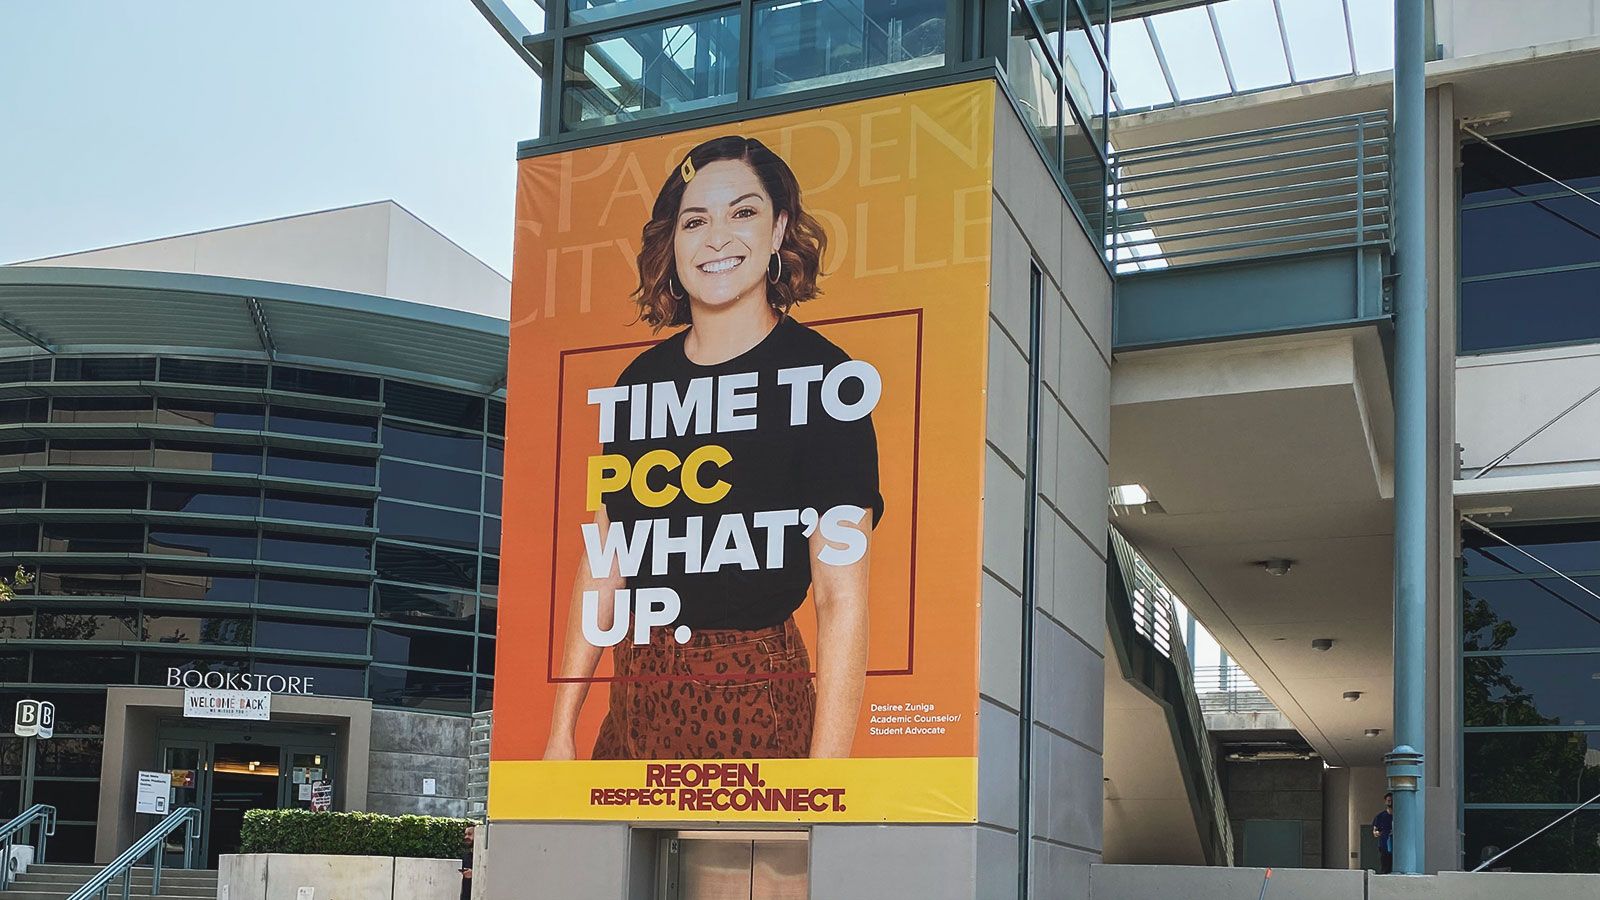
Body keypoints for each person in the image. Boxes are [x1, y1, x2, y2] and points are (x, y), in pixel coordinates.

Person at [542, 135, 882, 762]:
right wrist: (562, 727)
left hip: (757, 699)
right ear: (672, 243)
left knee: (742, 865)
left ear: (780, 229)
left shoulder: (828, 381)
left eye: (743, 212)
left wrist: (828, 778)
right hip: (635, 696)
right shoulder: (641, 383)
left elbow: (841, 596)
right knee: (618, 864)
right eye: (696, 220)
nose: (718, 237)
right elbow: (605, 557)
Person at [1372, 792, 1393, 874]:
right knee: (1385, 865)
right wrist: (1377, 832)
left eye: (1391, 800)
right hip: (1384, 845)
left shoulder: (1399, 815)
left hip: (1396, 846)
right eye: (1388, 800)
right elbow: (1375, 831)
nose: (1390, 802)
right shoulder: (1380, 816)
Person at [458, 823, 475, 900]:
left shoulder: (485, 856)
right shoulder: (466, 856)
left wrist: (473, 874)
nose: (466, 837)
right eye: (465, 834)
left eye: (470, 834)